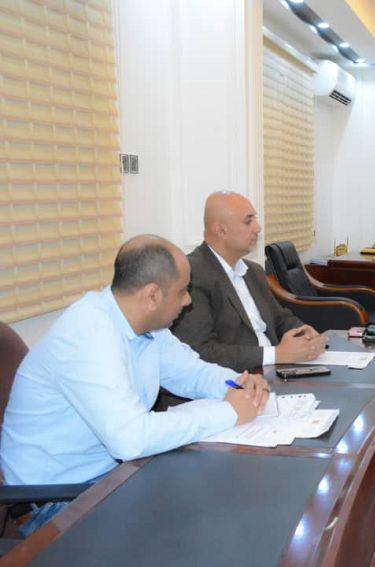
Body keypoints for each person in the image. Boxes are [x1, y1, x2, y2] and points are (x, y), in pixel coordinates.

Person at [0, 236, 267, 532]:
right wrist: (229, 412)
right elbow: (130, 439)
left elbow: (192, 373)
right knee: (201, 526)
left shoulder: (147, 326)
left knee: (219, 502)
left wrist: (238, 385)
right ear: (151, 296)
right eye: (182, 291)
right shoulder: (90, 333)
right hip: (58, 502)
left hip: (114, 477)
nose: (188, 301)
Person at [171, 192, 326, 372]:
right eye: (248, 221)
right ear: (221, 230)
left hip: (277, 370)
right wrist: (276, 354)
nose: (258, 228)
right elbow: (202, 352)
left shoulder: (254, 271)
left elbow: (280, 319)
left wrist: (305, 333)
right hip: (239, 379)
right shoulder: (191, 274)